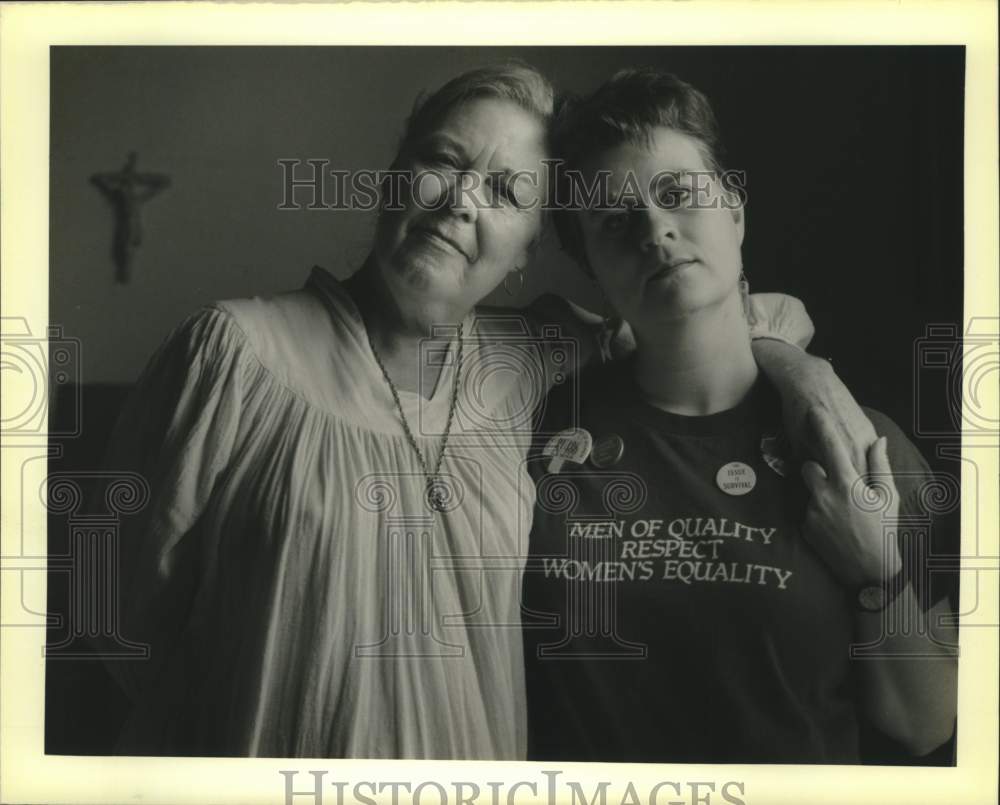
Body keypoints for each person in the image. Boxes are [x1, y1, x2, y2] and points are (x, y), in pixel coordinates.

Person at [92, 62, 878, 759]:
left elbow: (706, 315)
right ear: (393, 178)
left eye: (506, 193)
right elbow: (125, 630)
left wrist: (801, 375)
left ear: (524, 254)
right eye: (442, 161)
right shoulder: (231, 351)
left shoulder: (537, 355)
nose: (461, 202)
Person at [522, 68, 958, 764]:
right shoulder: (539, 432)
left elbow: (926, 722)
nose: (654, 229)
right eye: (612, 218)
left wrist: (878, 573)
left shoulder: (858, 442)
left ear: (735, 213)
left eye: (678, 195)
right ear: (591, 269)